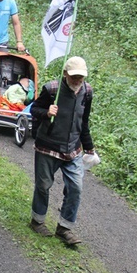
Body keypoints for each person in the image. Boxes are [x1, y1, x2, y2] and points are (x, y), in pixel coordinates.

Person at [29, 57, 96, 246]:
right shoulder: (51, 90)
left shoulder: (87, 92)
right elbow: (34, 109)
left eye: (80, 77)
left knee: (76, 187)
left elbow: (84, 121)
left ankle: (64, 228)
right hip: (47, 146)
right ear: (65, 74)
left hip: (72, 149)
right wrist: (46, 112)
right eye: (74, 76)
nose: (77, 81)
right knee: (43, 186)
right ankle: (37, 221)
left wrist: (89, 146)